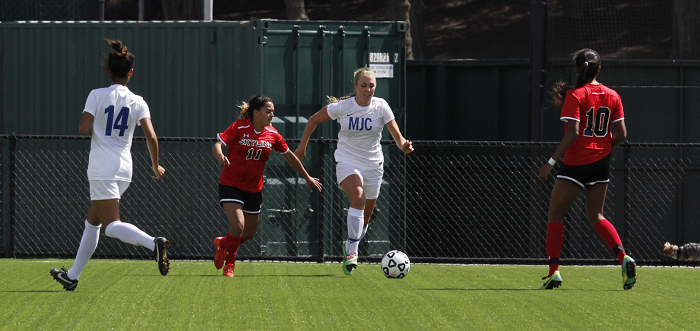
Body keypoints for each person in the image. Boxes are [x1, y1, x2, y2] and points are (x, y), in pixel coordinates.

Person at [50, 39, 170, 291]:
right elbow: (151, 136)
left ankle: (153, 243)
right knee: (92, 221)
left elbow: (83, 129)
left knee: (111, 226)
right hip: (125, 170)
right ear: (131, 73)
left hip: (102, 168)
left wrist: (94, 121)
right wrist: (155, 166)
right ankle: (72, 276)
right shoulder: (138, 101)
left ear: (108, 70)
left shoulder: (97, 94)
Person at [294, 67, 414, 275]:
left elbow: (398, 138)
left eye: (372, 86)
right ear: (355, 87)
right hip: (347, 161)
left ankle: (350, 243)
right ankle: (352, 252)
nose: (368, 90)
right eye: (364, 86)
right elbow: (313, 119)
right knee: (357, 198)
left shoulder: (381, 106)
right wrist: (303, 146)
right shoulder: (343, 107)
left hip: (373, 164)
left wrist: (404, 146)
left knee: (365, 219)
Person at [538, 48, 635, 290]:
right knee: (597, 216)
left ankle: (554, 272)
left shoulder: (576, 94)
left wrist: (550, 162)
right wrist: (603, 146)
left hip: (576, 162)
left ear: (577, 69)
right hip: (601, 162)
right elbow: (622, 134)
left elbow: (574, 132)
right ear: (599, 69)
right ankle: (624, 257)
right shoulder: (613, 95)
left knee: (555, 215)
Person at [212, 95, 322, 277]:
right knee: (238, 226)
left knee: (248, 234)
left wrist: (307, 176)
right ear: (255, 112)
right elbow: (218, 144)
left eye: (273, 112)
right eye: (268, 111)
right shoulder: (239, 127)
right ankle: (229, 265)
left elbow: (290, 157)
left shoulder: (273, 134)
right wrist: (220, 156)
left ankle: (222, 244)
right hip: (231, 183)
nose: (271, 115)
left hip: (254, 188)